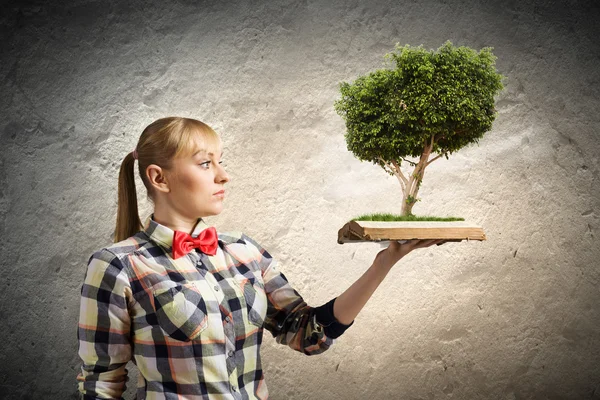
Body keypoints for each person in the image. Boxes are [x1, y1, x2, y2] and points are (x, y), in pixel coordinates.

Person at [76, 116, 446, 400]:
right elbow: (101, 387)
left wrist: (383, 264)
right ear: (159, 178)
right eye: (206, 164)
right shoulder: (117, 266)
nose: (224, 176)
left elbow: (308, 333)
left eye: (220, 162)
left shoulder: (244, 252)